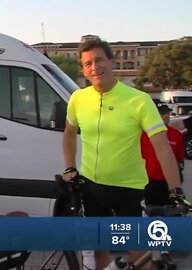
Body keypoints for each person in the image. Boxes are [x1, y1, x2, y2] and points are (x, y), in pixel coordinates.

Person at [62, 38, 190, 269]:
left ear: (112, 62)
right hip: (91, 187)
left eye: (99, 60)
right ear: (83, 69)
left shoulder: (138, 100)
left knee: (141, 256)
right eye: (88, 63)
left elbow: (163, 147)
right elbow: (69, 133)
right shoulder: (78, 99)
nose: (94, 67)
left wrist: (176, 192)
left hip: (128, 190)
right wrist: (70, 168)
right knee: (100, 251)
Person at [141, 102, 184, 206]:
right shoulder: (143, 134)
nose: (166, 115)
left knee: (170, 215)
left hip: (168, 183)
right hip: (148, 182)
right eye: (162, 113)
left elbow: (179, 159)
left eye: (167, 112)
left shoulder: (177, 135)